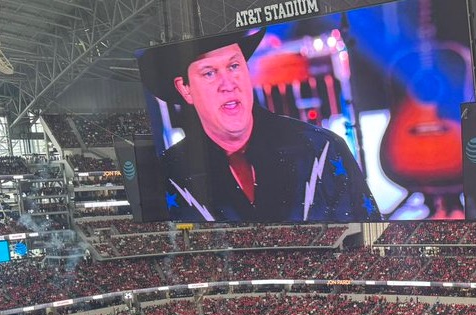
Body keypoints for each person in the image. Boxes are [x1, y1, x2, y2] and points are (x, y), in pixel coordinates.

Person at [137, 29, 382, 223]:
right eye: (209, 73)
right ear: (185, 89)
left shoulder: (325, 150)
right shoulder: (166, 176)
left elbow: (367, 238)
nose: (228, 84)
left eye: (234, 66)